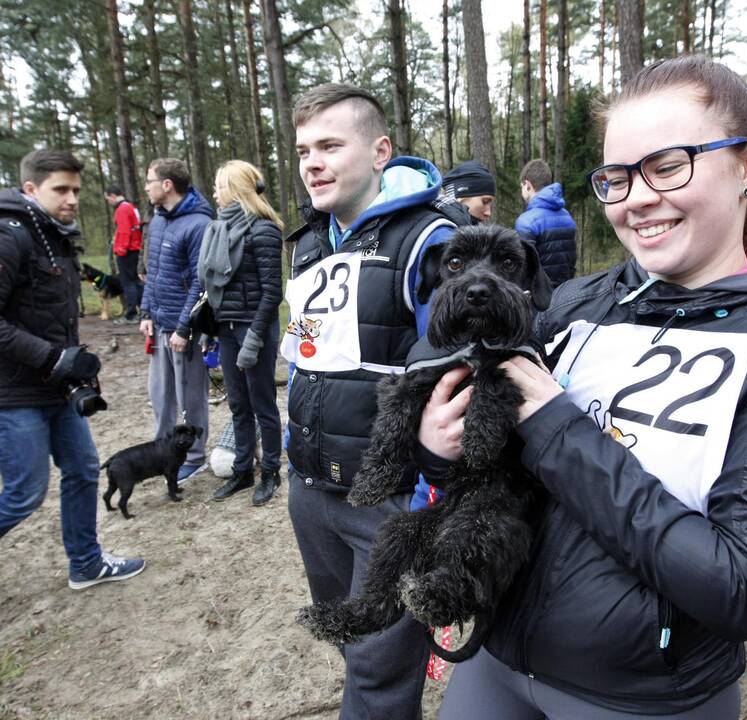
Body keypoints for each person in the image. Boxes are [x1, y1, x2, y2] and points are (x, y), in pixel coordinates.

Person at [422, 56, 747, 718]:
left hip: (642, 696)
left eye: (667, 166)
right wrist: (442, 449)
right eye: (616, 177)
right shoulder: (574, 304)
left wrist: (555, 426)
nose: (636, 198)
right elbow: (496, 467)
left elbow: (743, 587)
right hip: (495, 659)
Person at [0, 149, 145, 636]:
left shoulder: (51, 237)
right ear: (31, 189)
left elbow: (47, 314)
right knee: (23, 493)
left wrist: (76, 365)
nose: (73, 199)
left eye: (77, 190)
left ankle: (86, 562)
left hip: (53, 388)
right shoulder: (3, 236)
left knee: (82, 470)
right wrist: (53, 358)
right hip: (8, 391)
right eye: (61, 189)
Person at [285, 83, 460, 719]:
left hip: (391, 504)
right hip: (310, 490)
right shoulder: (307, 241)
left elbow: (461, 377)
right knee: (351, 641)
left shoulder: (433, 240)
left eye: (330, 145)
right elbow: (308, 356)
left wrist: (426, 498)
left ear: (381, 150)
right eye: (304, 149)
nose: (312, 163)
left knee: (381, 671)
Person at [199, 161, 284, 505]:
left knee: (263, 404)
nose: (215, 193)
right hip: (227, 328)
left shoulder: (264, 230)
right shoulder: (219, 229)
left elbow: (271, 293)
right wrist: (210, 329)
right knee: (237, 404)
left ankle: (272, 471)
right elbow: (211, 284)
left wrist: (254, 338)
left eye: (220, 186)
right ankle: (242, 470)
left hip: (255, 329)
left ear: (236, 189)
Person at [139, 158, 214, 482]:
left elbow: (201, 283)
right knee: (160, 394)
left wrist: (185, 327)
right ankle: (163, 452)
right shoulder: (157, 219)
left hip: (184, 330)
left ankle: (194, 456)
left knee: (190, 396)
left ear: (167, 185)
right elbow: (153, 272)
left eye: (149, 181)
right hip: (158, 323)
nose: (146, 187)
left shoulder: (199, 224)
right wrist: (145, 312)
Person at [515, 158, 577, 287]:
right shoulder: (567, 216)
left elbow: (524, 267)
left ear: (527, 185)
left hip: (539, 297)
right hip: (565, 293)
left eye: (521, 187)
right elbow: (571, 262)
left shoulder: (526, 221)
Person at [104, 185, 145, 324]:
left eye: (108, 199)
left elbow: (125, 231)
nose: (108, 202)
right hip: (135, 249)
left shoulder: (121, 209)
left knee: (128, 282)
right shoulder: (131, 207)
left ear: (112, 196)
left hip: (127, 252)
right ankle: (143, 312)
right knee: (136, 281)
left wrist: (120, 250)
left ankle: (131, 314)